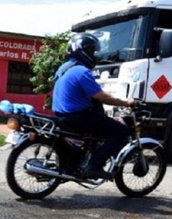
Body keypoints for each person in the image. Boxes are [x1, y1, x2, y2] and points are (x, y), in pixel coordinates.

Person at [52, 33, 137, 179]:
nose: (94, 55)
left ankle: (81, 160)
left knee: (99, 123)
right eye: (91, 51)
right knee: (120, 131)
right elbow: (102, 97)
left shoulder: (64, 68)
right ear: (82, 51)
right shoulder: (82, 71)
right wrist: (126, 102)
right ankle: (94, 166)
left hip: (61, 116)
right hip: (78, 117)